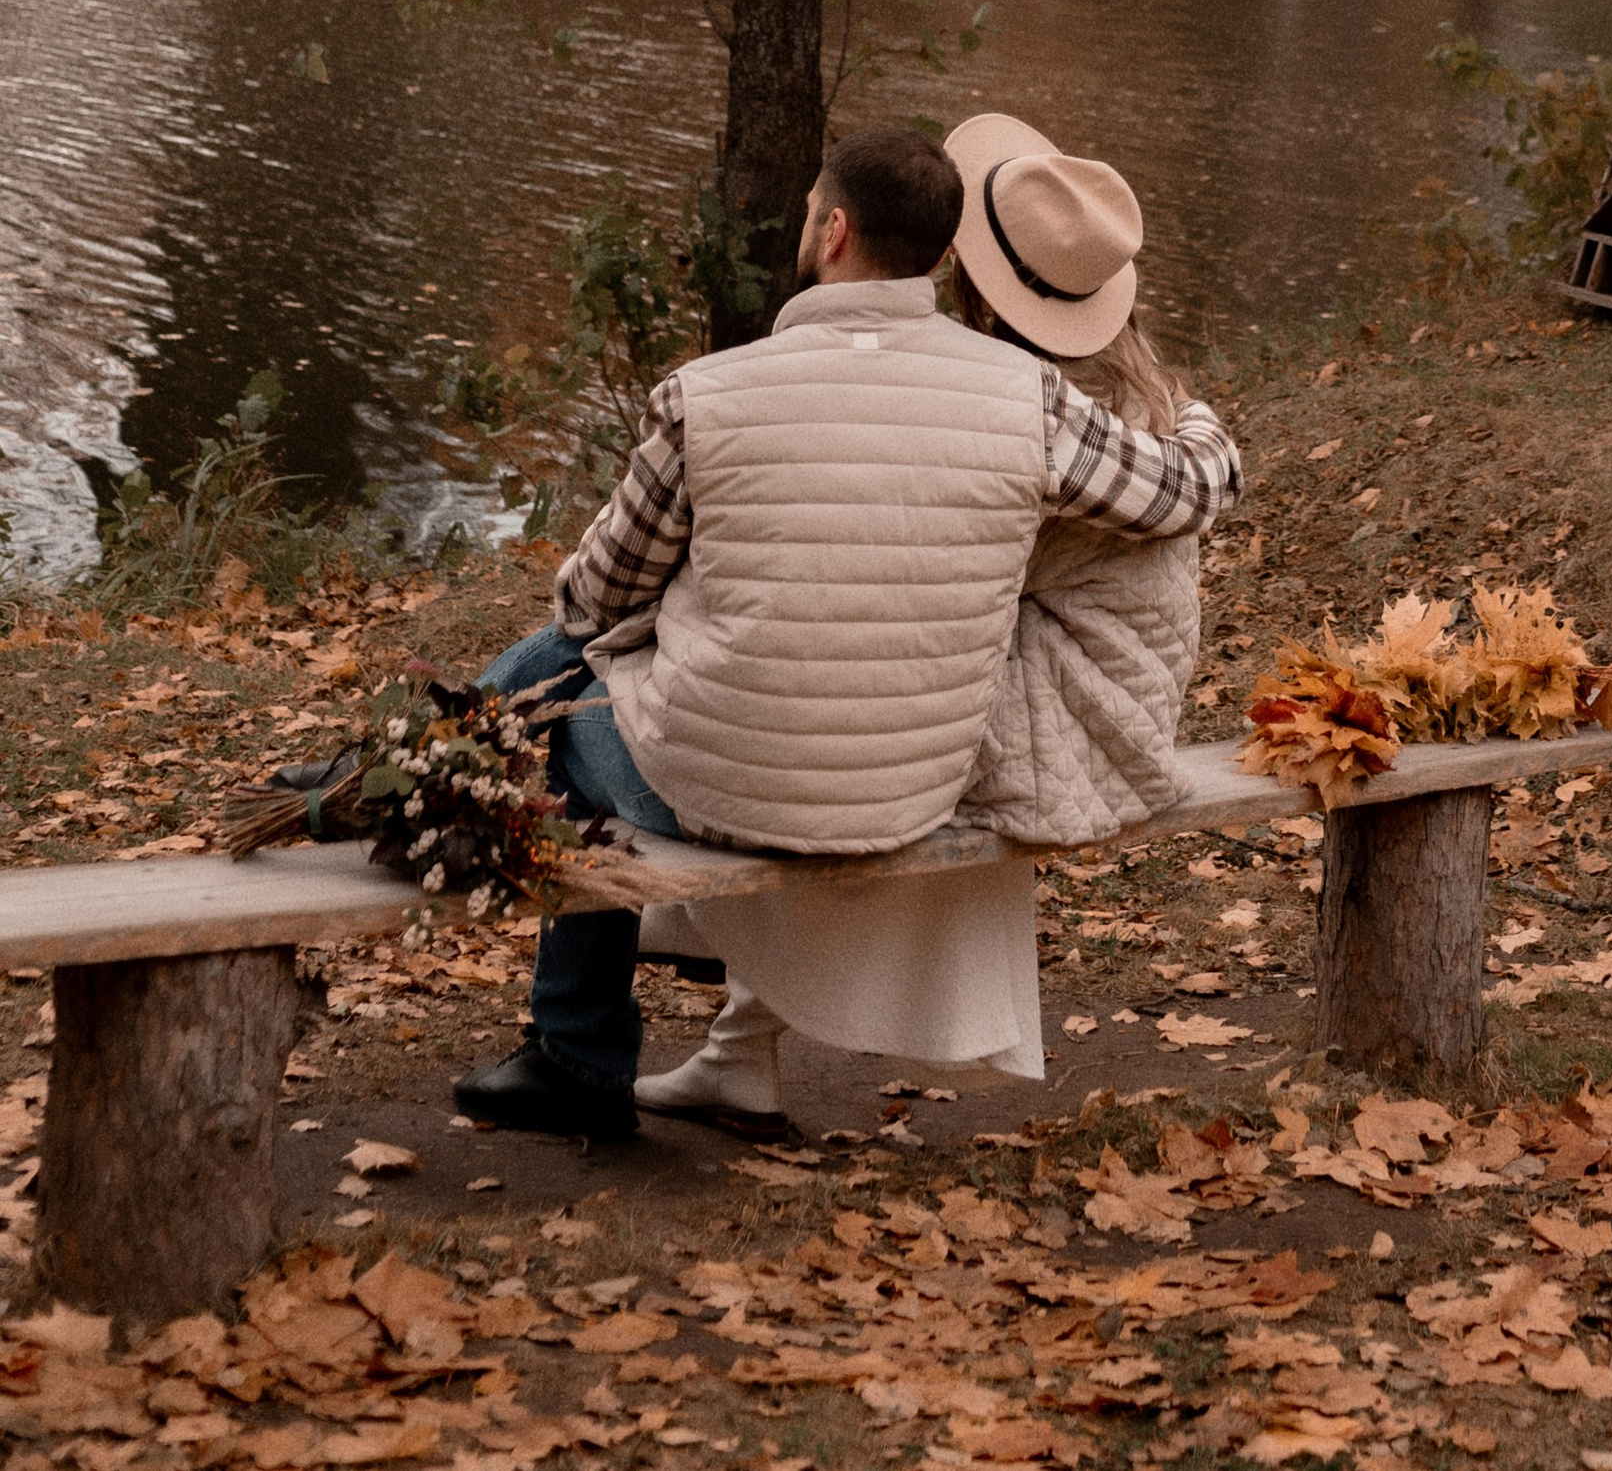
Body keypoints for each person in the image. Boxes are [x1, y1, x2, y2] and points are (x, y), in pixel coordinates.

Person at [454, 117, 1240, 1143]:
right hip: (916, 779)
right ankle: (430, 772)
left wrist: (690, 601)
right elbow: (1187, 487)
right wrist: (1202, 423)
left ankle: (575, 1047)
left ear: (831, 231)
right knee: (636, 672)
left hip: (770, 784)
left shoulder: (709, 395)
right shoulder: (1040, 406)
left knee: (557, 694)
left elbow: (592, 604)